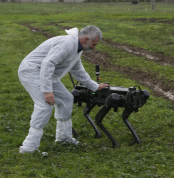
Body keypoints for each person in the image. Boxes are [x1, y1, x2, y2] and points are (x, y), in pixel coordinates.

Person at [18, 25, 109, 153]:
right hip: (32, 72)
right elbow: (47, 63)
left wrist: (95, 86)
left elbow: (77, 70)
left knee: (67, 99)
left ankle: (64, 138)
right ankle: (29, 148)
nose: (94, 48)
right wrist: (47, 91)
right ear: (86, 39)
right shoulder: (67, 44)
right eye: (94, 44)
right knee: (45, 105)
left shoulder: (78, 48)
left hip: (46, 75)